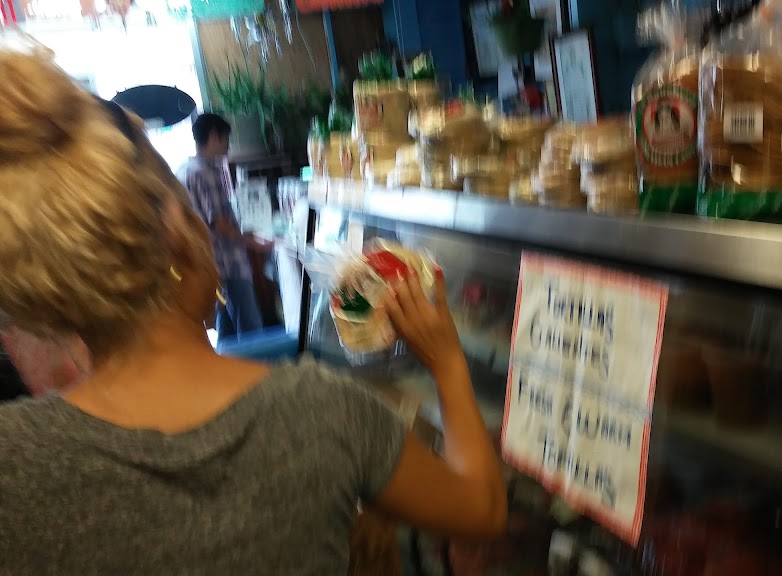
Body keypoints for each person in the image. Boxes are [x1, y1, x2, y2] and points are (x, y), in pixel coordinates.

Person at [0, 38, 506, 573]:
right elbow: (483, 510)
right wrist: (447, 361)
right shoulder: (321, 411)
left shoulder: (16, 459)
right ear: (176, 231)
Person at [177, 113, 265, 340]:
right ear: (214, 136)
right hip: (228, 262)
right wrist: (252, 242)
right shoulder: (205, 172)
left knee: (226, 327)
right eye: (226, 139)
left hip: (208, 264)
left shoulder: (184, 169)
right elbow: (219, 223)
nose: (228, 145)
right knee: (251, 327)